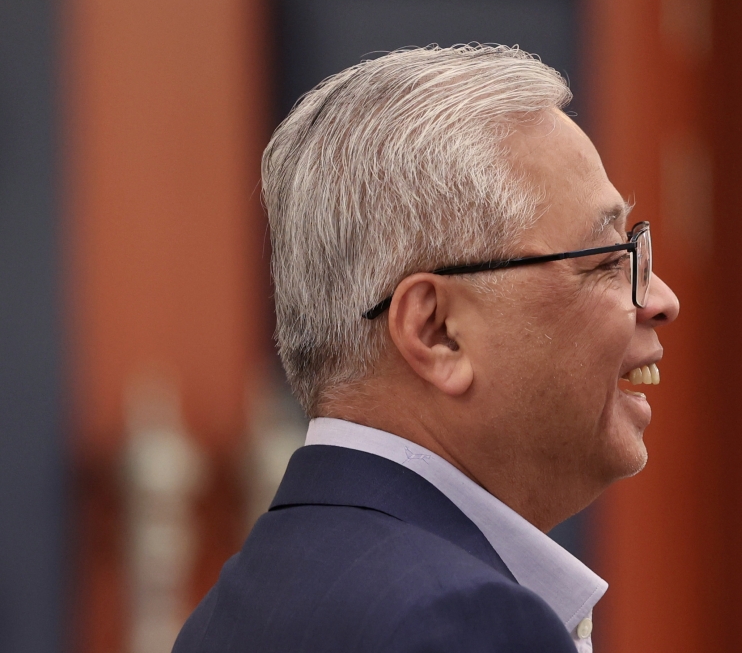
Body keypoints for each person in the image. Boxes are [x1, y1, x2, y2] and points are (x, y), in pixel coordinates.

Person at [173, 44, 679, 653]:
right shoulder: (461, 624)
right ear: (438, 331)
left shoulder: (232, 610)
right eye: (604, 260)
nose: (662, 299)